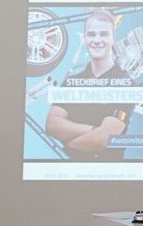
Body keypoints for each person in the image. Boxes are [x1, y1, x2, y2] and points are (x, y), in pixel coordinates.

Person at [45, 9, 135, 161]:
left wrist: (70, 143)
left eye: (104, 34)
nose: (97, 40)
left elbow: (102, 139)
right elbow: (52, 125)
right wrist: (93, 130)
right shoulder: (71, 82)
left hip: (108, 176)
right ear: (85, 39)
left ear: (113, 38)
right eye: (91, 34)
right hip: (67, 176)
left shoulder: (127, 84)